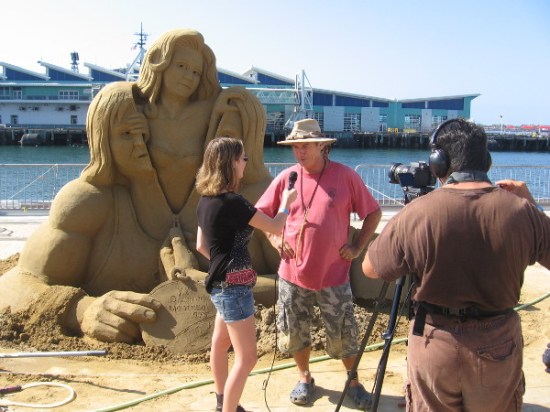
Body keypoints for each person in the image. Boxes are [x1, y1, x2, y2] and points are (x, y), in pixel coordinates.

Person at [0, 28, 275, 343]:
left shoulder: (248, 200)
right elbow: (17, 283)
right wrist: (82, 309)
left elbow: (314, 278)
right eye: (136, 134)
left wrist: (218, 288)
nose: (144, 147)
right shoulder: (91, 204)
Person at [362, 118, 550, 411]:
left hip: (435, 342)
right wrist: (533, 207)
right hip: (499, 341)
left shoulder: (418, 213)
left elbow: (372, 269)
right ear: (486, 161)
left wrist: (405, 219)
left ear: (439, 163)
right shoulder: (522, 211)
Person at [255, 119, 382, 409]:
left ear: (321, 146)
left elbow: (372, 213)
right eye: (295, 147)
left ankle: (353, 381)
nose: (299, 152)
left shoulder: (346, 176)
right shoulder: (287, 178)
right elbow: (261, 213)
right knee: (296, 330)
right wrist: (275, 240)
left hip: (334, 274)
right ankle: (304, 378)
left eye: (305, 146)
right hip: (291, 274)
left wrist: (357, 245)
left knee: (344, 331)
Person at [195, 137, 297, 412]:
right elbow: (276, 227)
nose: (245, 164)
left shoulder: (205, 201)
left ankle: (222, 401)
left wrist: (222, 264)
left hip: (218, 286)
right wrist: (287, 203)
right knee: (248, 358)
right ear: (230, 163)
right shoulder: (234, 202)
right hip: (235, 289)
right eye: (243, 158)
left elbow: (201, 246)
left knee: (220, 344)